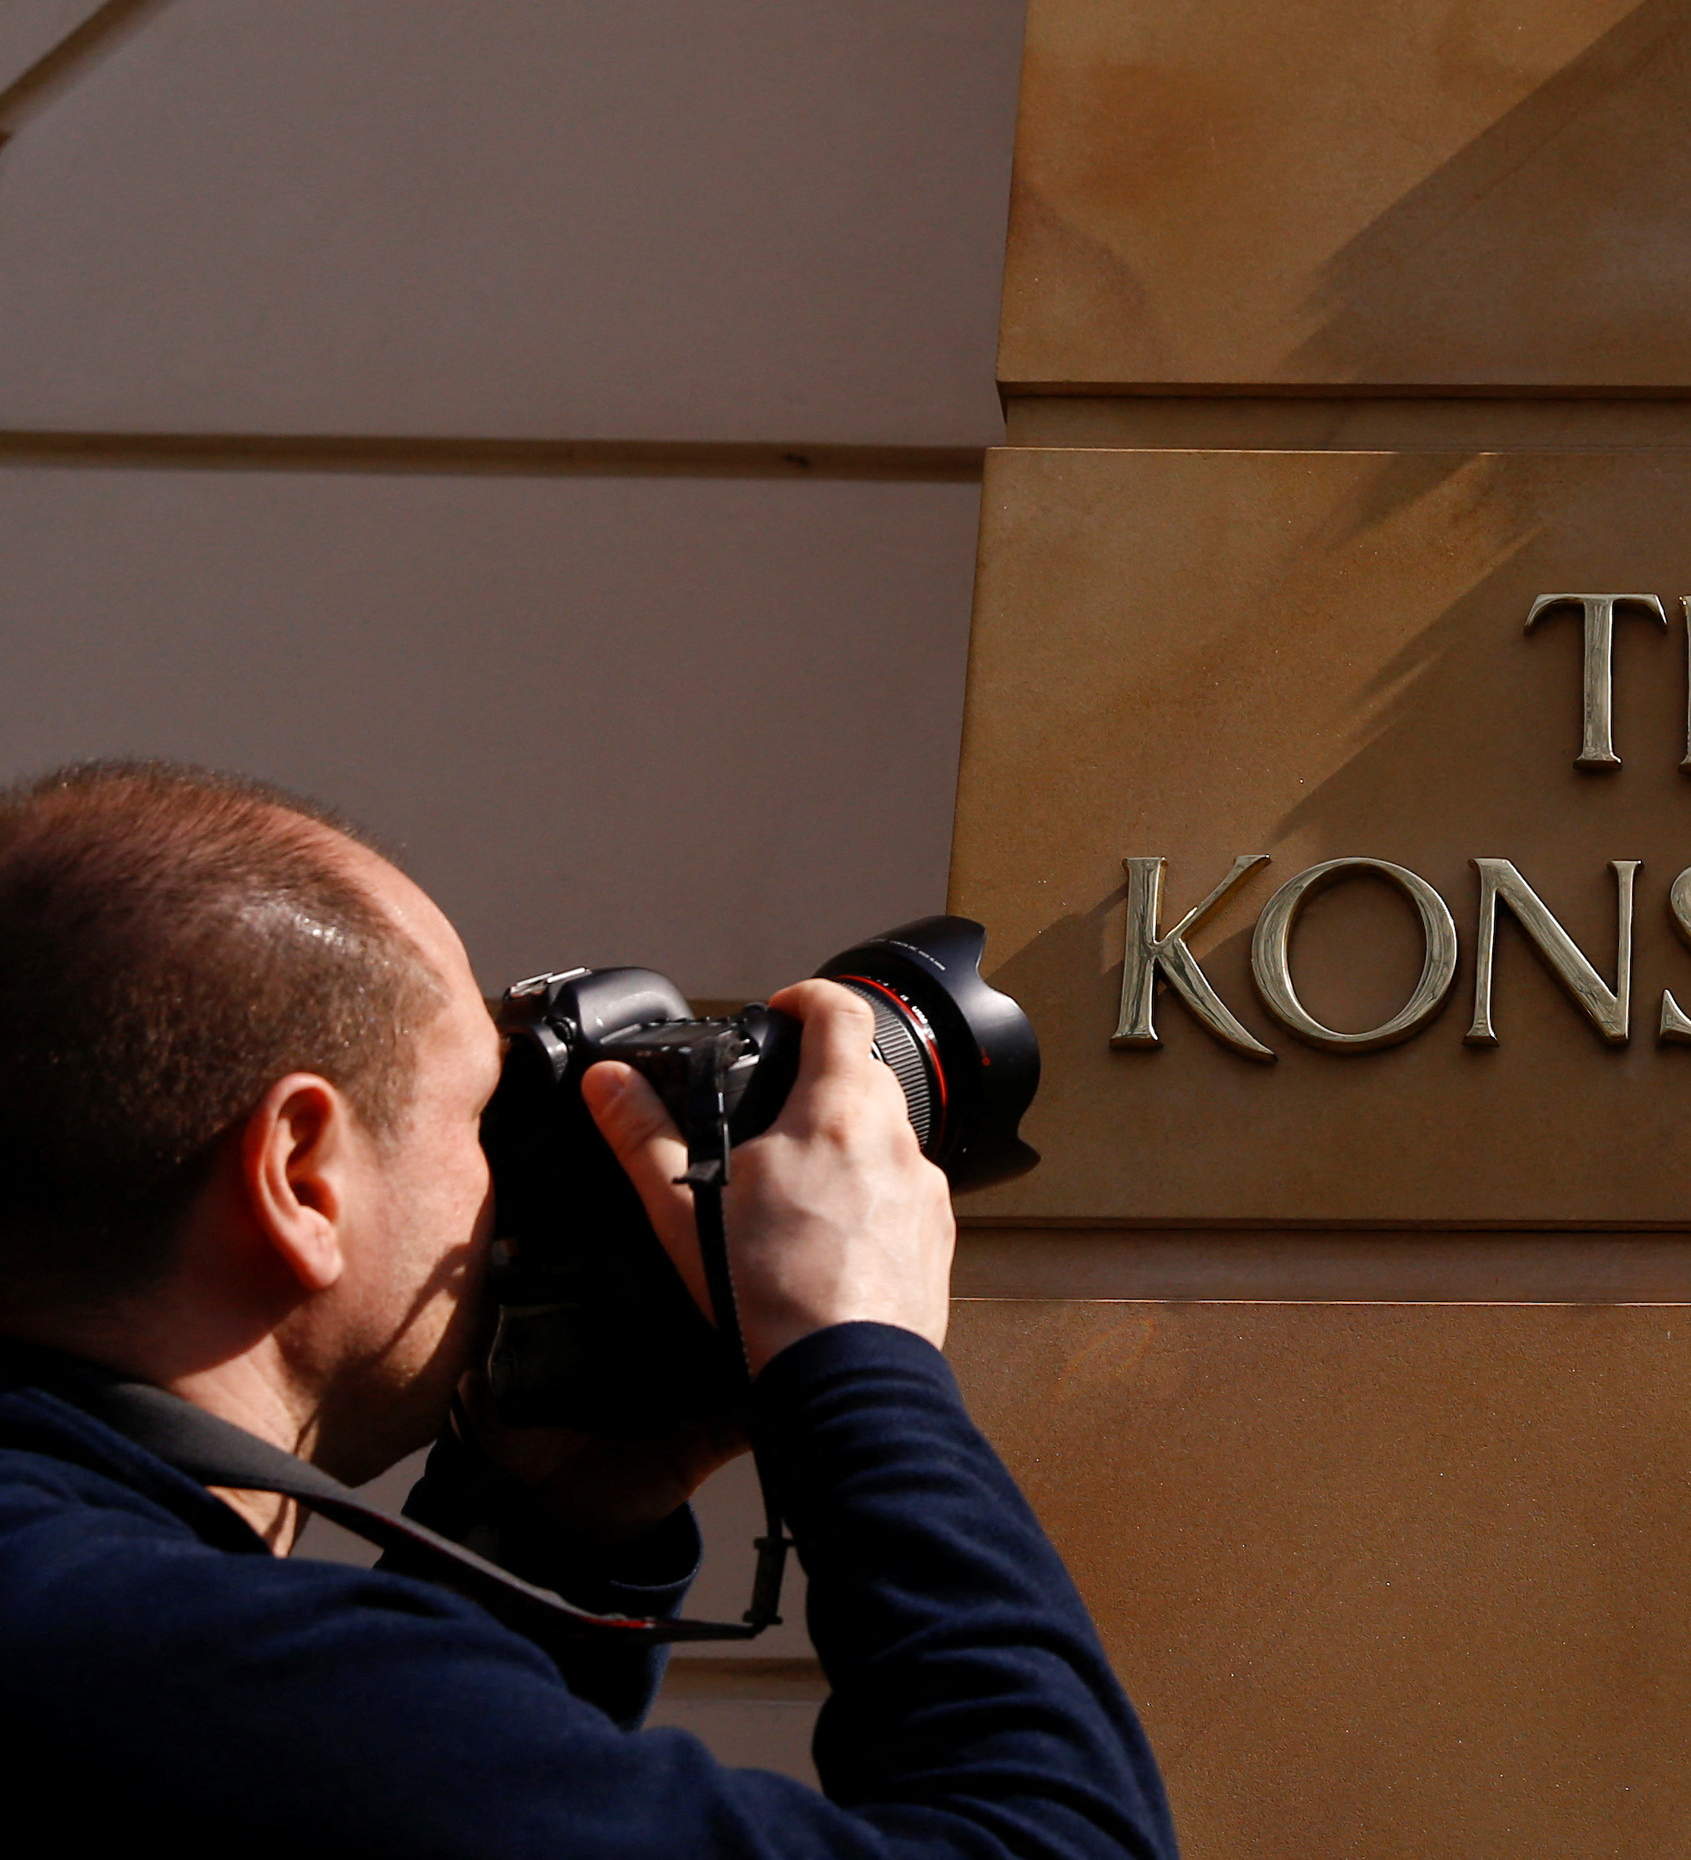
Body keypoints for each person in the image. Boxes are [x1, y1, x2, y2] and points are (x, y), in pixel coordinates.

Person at [0, 759, 1174, 1857]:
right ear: (304, 1175)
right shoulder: (198, 1673)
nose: (511, 1180)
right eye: (481, 1109)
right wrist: (859, 1358)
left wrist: (543, 1529)